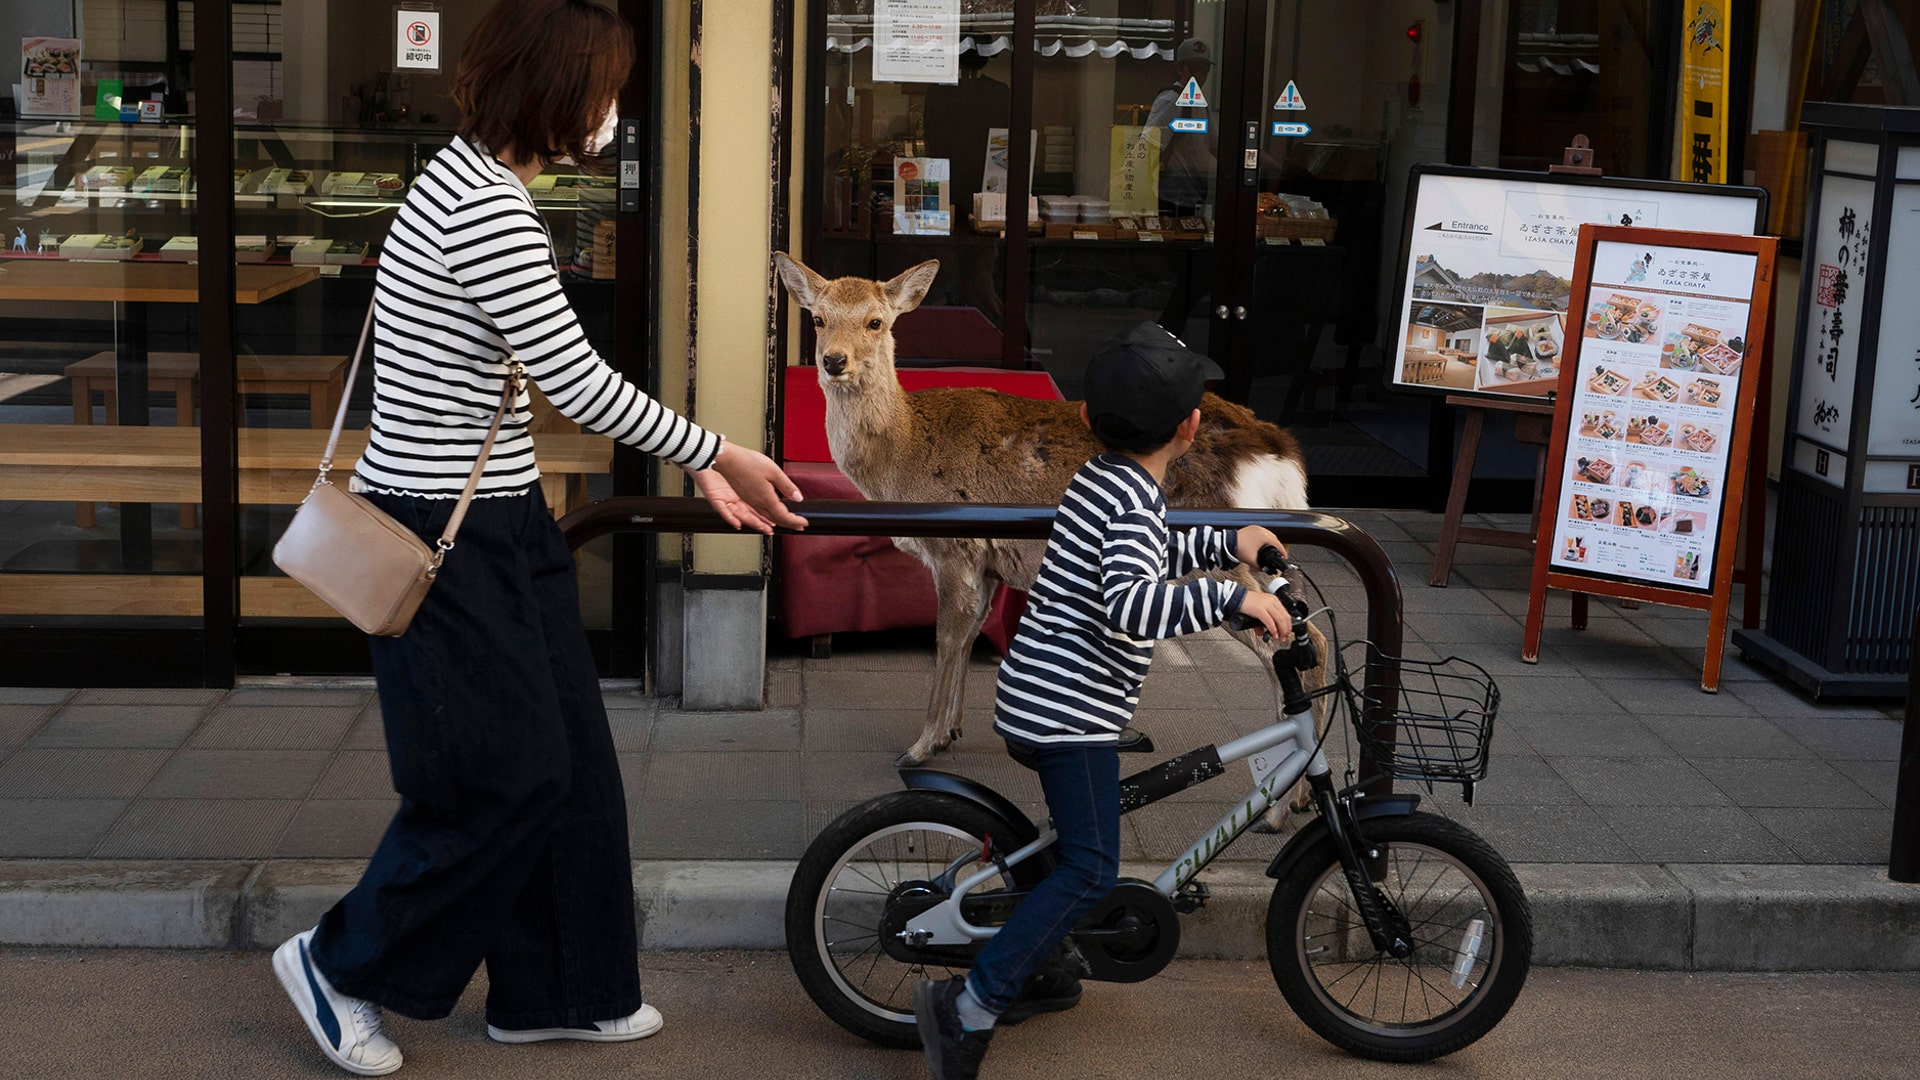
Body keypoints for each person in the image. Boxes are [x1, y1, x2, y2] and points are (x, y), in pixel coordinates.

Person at [270, 3, 806, 1075]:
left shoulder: (478, 181)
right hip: (440, 533)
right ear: (557, 93)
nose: (611, 114)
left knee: (571, 768)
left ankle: (562, 991)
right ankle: (338, 967)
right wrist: (711, 451)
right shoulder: (487, 209)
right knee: (497, 778)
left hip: (498, 519)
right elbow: (572, 378)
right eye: (604, 93)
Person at [912, 322, 1291, 1079]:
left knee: (1074, 853)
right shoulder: (1127, 495)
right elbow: (1128, 601)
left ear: (1084, 418)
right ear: (1191, 427)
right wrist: (1228, 602)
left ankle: (1040, 959)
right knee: (1090, 867)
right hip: (1066, 715)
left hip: (1046, 696)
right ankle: (970, 1007)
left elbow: (1147, 550)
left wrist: (1227, 542)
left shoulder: (1105, 481)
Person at [1144, 39, 1217, 333]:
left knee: (1194, 271)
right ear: (1181, 68)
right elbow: (1148, 144)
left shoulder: (1201, 103)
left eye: (1205, 69)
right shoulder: (1172, 100)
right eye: (1195, 68)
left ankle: (1169, 331)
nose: (1201, 75)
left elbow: (1212, 147)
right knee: (1193, 271)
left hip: (1193, 198)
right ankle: (1167, 332)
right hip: (1170, 198)